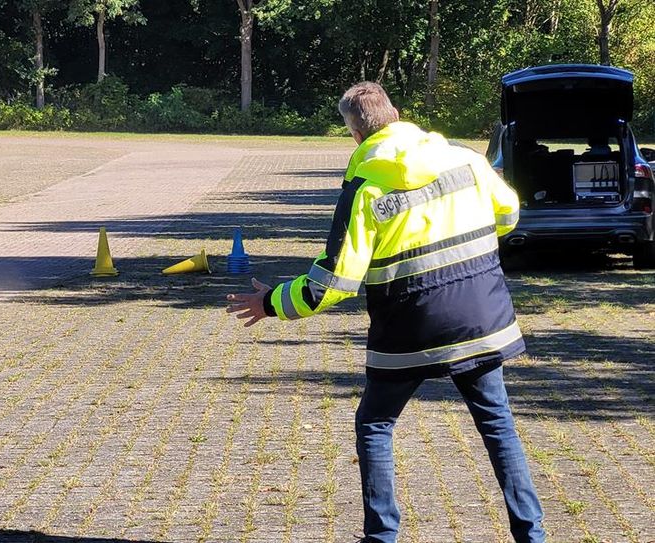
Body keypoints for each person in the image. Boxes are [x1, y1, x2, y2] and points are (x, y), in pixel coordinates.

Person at [226, 82, 545, 542]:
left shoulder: (366, 188)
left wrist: (272, 302)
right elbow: (508, 214)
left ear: (355, 135)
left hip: (408, 328)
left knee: (375, 424)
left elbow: (336, 280)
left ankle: (381, 536)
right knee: (498, 424)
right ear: (396, 113)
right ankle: (532, 534)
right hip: (480, 320)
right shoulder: (467, 160)